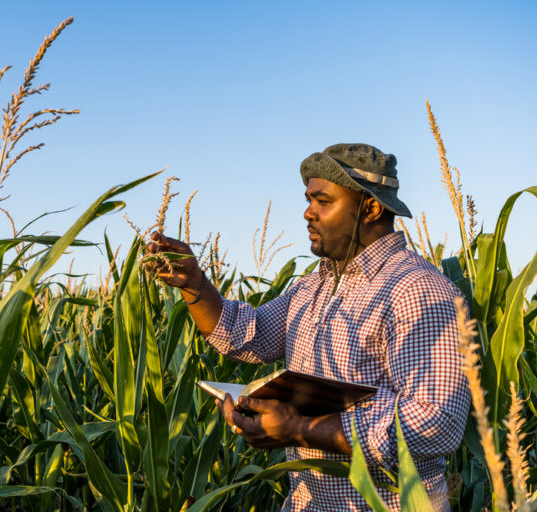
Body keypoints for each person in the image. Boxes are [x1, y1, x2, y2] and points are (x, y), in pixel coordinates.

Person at [147, 143, 470, 511]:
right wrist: (193, 283)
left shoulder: (418, 290)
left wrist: (300, 430)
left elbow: (436, 421)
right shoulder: (311, 287)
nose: (307, 212)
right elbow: (244, 334)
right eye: (308, 200)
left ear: (371, 207)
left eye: (323, 201)